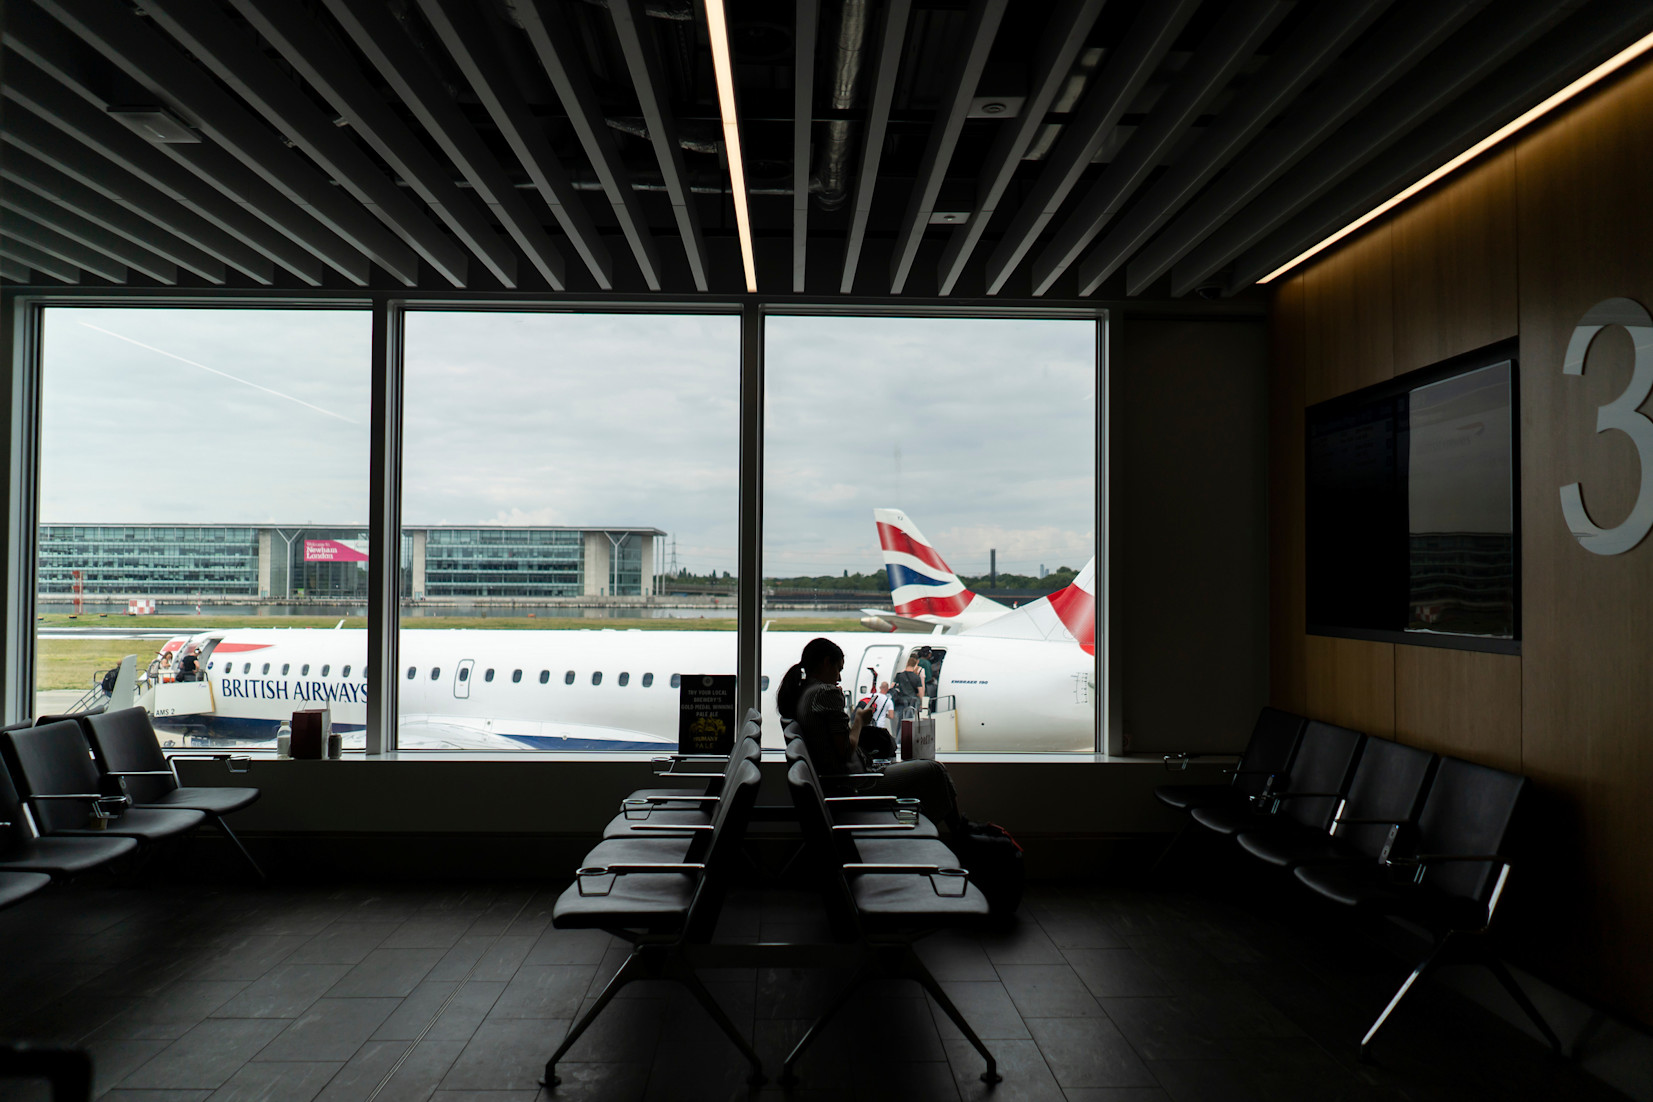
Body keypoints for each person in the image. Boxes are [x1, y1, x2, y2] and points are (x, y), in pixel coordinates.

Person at [776, 637, 966, 835]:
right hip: (856, 784)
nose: (839, 678)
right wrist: (859, 721)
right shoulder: (825, 693)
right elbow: (845, 750)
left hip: (840, 782)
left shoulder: (803, 693)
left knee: (932, 773)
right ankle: (957, 835)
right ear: (826, 662)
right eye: (838, 669)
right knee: (935, 770)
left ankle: (954, 832)